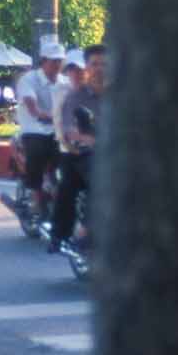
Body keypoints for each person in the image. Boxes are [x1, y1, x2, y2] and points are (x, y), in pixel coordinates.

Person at [50, 44, 106, 254]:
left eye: (105, 64)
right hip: (83, 155)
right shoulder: (75, 97)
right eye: (95, 64)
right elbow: (68, 128)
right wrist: (81, 138)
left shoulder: (123, 97)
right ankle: (81, 230)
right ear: (88, 68)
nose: (100, 68)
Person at [16, 37, 66, 226]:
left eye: (60, 60)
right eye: (54, 60)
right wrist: (54, 117)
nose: (57, 64)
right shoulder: (29, 80)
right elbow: (33, 110)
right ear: (43, 61)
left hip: (60, 131)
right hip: (34, 129)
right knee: (38, 150)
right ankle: (34, 194)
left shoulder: (65, 82)